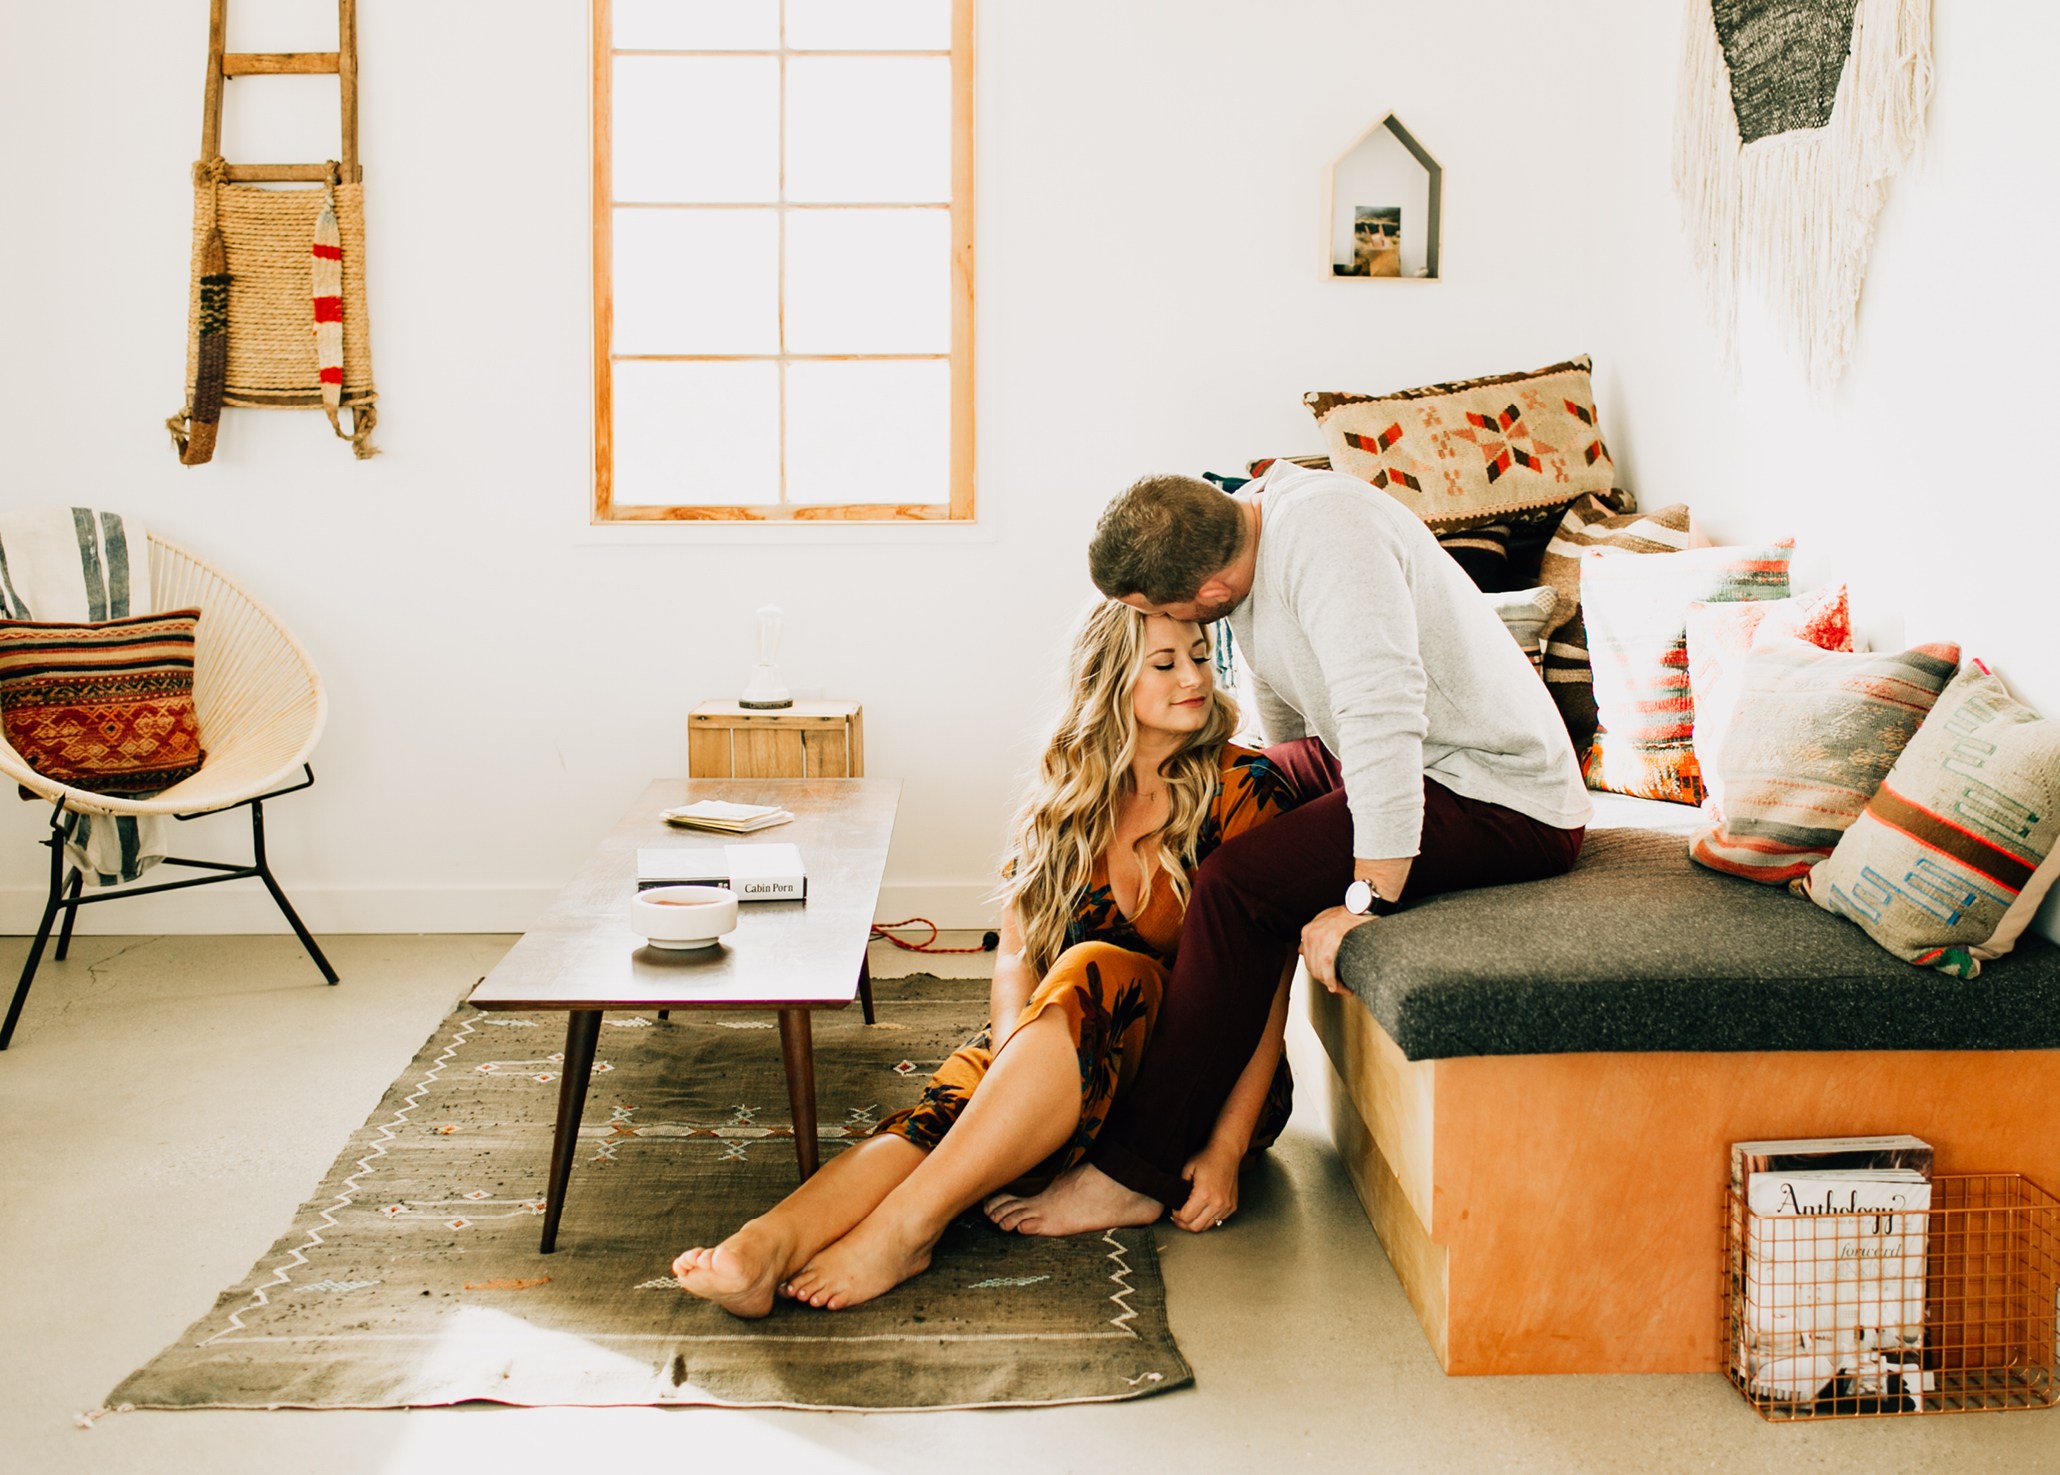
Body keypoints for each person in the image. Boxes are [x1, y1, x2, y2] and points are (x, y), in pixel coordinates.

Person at [999, 460, 1593, 1234]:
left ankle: (1133, 1169)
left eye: (1162, 612)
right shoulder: (1245, 532)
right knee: (1209, 792)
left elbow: (1383, 713)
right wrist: (1282, 814)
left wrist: (1368, 898)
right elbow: (1282, 690)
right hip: (1401, 760)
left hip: (1495, 788)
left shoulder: (1328, 537)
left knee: (1233, 884)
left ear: (1207, 595)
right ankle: (1094, 1025)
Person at [672, 601, 1300, 1316]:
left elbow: (1270, 988)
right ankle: (769, 1244)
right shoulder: (1069, 795)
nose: (1194, 676)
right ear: (1109, 681)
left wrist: (1226, 1144)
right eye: (1165, 663)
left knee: (1093, 968)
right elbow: (1016, 957)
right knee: (946, 1108)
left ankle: (904, 1230)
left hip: (1197, 1085)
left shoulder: (1247, 790)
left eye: (1198, 654)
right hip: (1066, 1041)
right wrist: (1011, 1067)